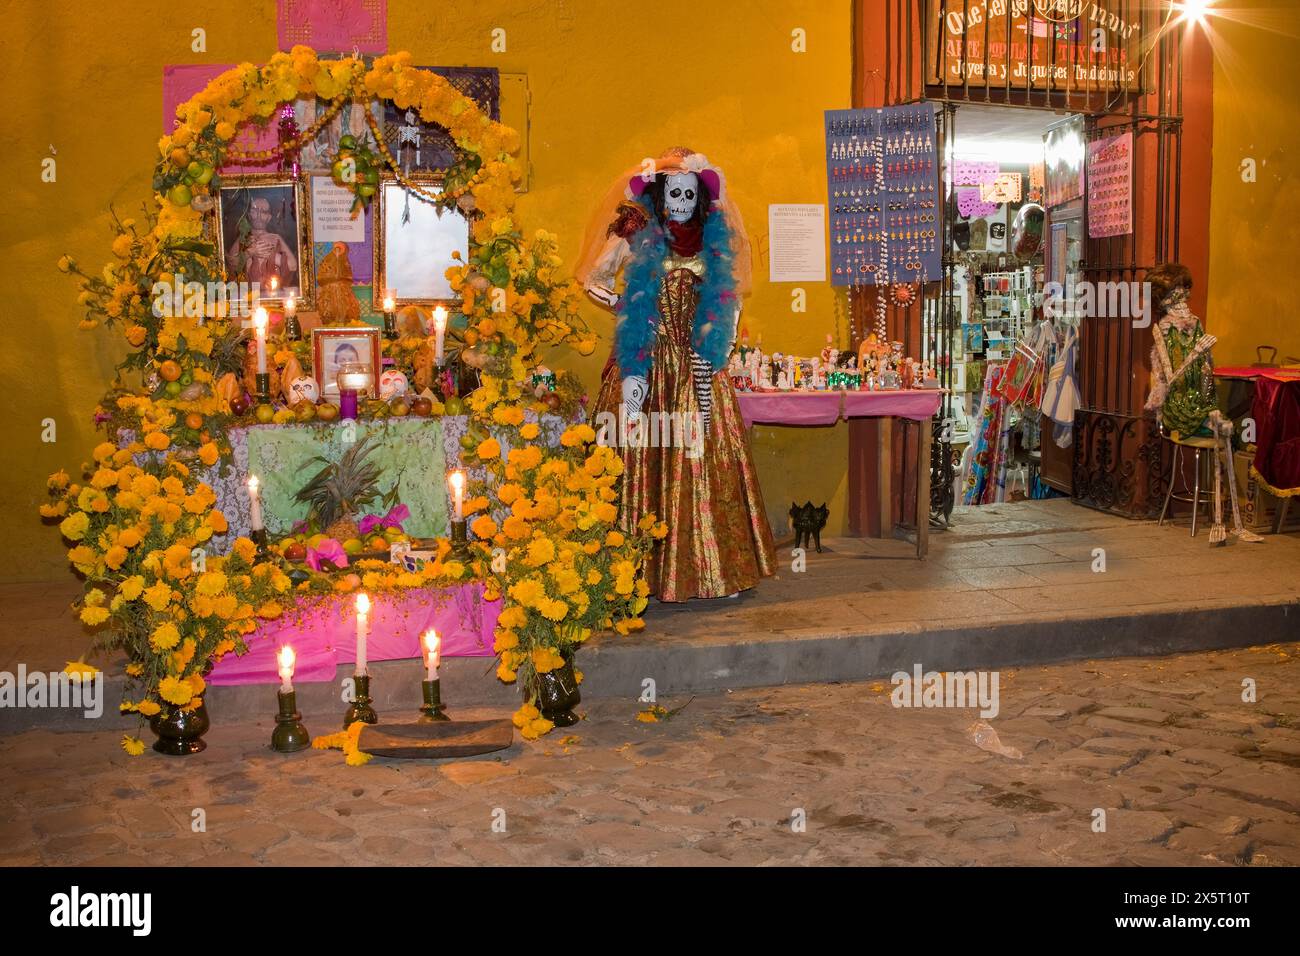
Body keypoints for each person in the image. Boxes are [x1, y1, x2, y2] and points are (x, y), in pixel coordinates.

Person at [576, 147, 776, 602]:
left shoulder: (713, 240)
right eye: (674, 191)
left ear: (699, 196)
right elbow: (594, 278)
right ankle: (629, 573)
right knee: (636, 452)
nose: (682, 200)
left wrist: (718, 344)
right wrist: (626, 307)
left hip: (698, 365)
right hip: (645, 360)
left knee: (702, 460)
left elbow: (730, 297)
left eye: (689, 192)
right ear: (661, 193)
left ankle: (711, 570)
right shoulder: (637, 234)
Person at [228, 195, 298, 291]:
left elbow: (293, 266)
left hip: (272, 293)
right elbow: (231, 265)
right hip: (249, 296)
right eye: (255, 211)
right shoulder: (242, 239)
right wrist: (250, 252)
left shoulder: (276, 238)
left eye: (264, 212)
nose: (259, 216)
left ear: (269, 217)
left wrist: (272, 256)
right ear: (249, 215)